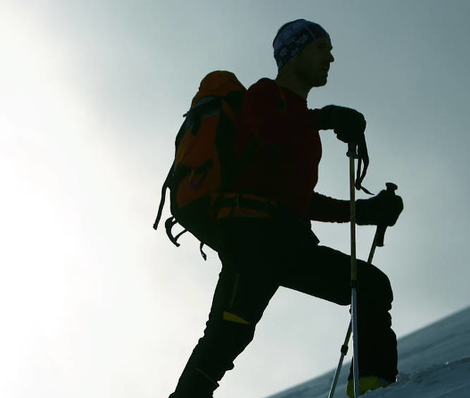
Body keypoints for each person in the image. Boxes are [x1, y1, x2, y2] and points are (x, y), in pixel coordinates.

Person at [169, 19, 403, 398]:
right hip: (251, 239)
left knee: (371, 286)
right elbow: (267, 128)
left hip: (287, 242)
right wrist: (325, 118)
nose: (330, 57)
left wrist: (366, 212)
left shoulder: (303, 127)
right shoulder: (264, 95)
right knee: (225, 339)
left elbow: (299, 201)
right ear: (293, 52)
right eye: (320, 48)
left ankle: (372, 387)